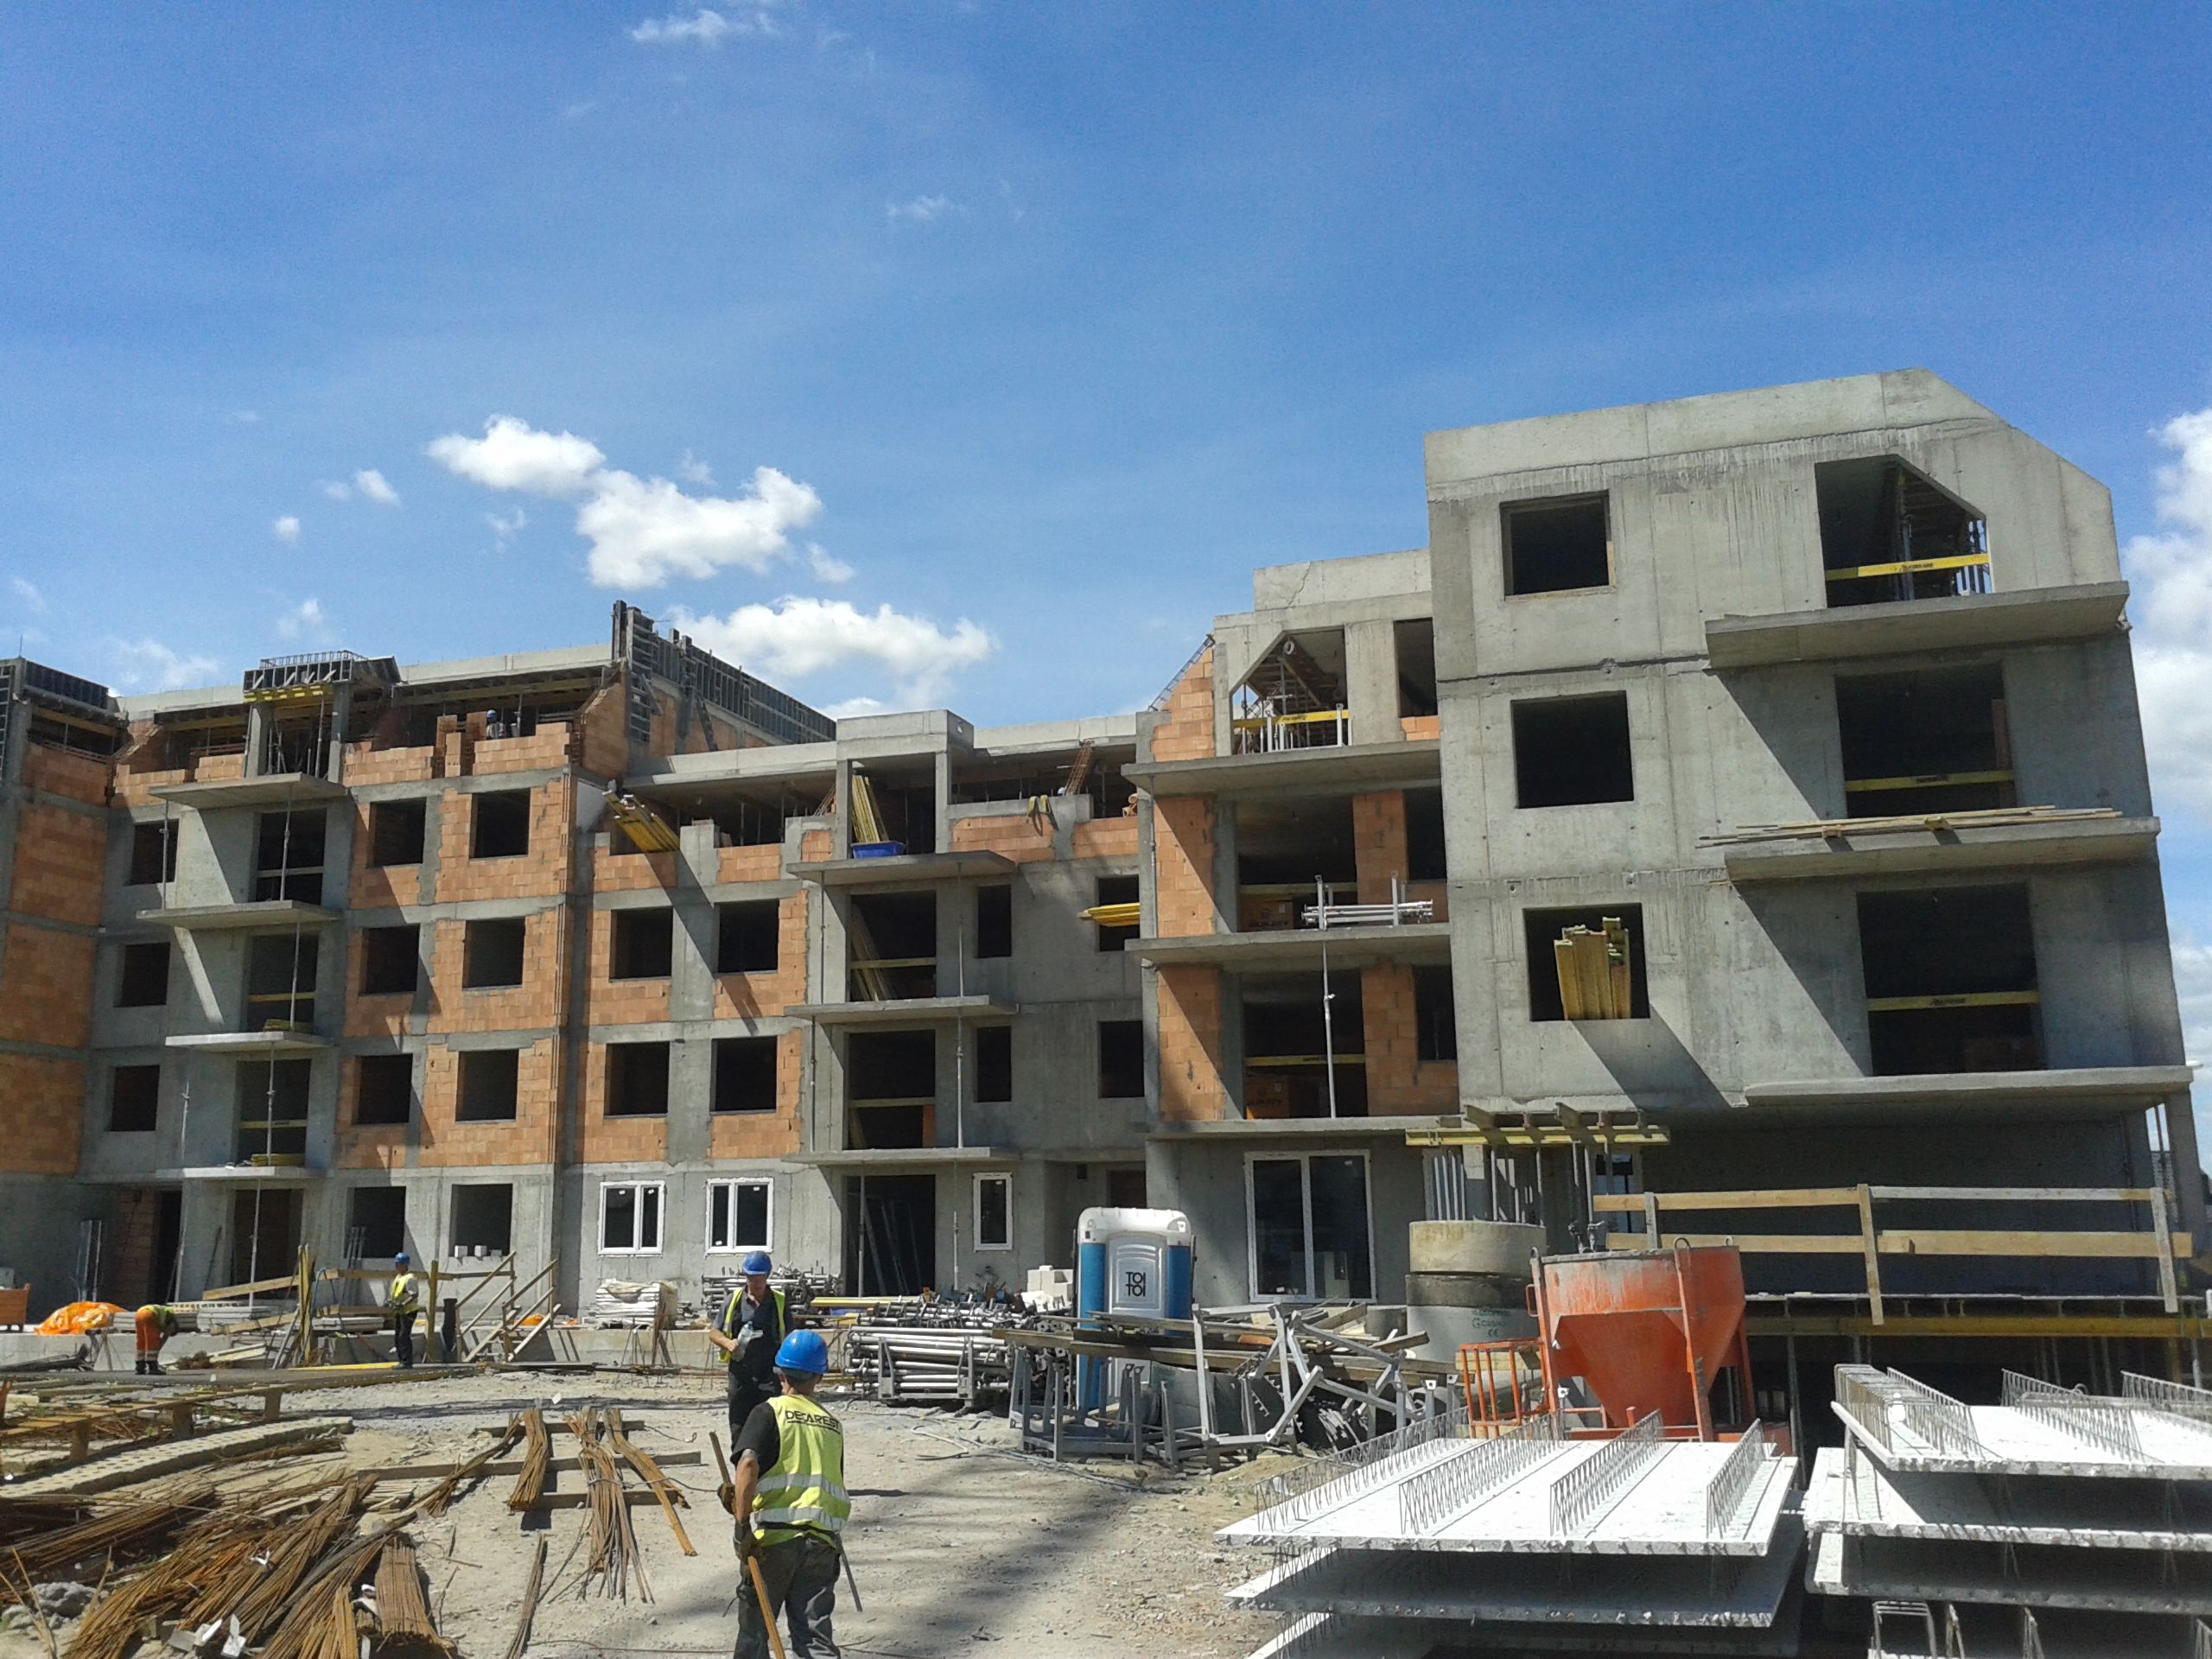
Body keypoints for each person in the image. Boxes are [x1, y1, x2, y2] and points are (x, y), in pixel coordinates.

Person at [732, 1330, 847, 1659]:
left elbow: (749, 1464)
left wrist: (742, 1528)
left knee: (755, 1634)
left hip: (776, 1544)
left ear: (780, 1373)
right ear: (819, 1377)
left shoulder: (769, 1411)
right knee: (815, 1638)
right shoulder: (832, 1424)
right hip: (822, 1546)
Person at [709, 1251, 785, 1440]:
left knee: (769, 1423)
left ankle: (765, 1465)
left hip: (769, 1373)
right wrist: (728, 1343)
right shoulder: (733, 1301)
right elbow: (713, 1332)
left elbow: (789, 1335)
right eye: (752, 1278)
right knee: (739, 1424)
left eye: (760, 1278)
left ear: (767, 1276)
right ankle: (741, 1464)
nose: (756, 1283)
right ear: (746, 1276)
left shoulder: (779, 1302)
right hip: (740, 1372)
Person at [388, 1251, 422, 1369]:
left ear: (404, 1265)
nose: (396, 1267)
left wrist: (403, 1304)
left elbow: (414, 1295)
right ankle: (401, 1360)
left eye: (398, 1264)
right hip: (399, 1310)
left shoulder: (410, 1278)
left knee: (404, 1336)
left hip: (408, 1311)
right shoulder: (398, 1277)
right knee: (398, 1336)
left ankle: (407, 1362)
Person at [133, 1302, 179, 1376]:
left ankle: (140, 1367)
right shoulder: (171, 1318)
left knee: (142, 1341)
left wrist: (159, 1345)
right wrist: (158, 1345)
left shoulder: (164, 1314)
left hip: (139, 1314)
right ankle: (153, 1368)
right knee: (152, 1341)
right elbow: (164, 1336)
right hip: (150, 1314)